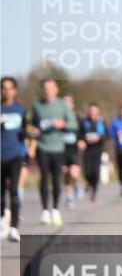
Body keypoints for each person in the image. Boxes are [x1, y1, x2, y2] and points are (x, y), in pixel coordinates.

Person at [31, 79, 74, 226]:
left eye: (50, 88)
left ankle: (55, 209)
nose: (48, 91)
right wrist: (34, 133)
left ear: (56, 90)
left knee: (56, 178)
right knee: (43, 176)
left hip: (58, 148)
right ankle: (44, 210)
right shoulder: (37, 107)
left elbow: (73, 124)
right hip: (42, 146)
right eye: (45, 88)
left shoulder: (62, 106)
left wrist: (63, 124)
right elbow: (32, 126)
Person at [1, 77, 29, 241]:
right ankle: (2, 220)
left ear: (15, 90)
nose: (7, 91)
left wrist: (28, 134)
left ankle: (14, 227)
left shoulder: (21, 109)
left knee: (14, 190)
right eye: (4, 88)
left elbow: (28, 128)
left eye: (10, 88)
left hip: (16, 155)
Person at [79, 103, 107, 201]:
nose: (92, 113)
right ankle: (89, 183)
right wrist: (81, 141)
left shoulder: (101, 122)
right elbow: (80, 134)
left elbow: (106, 135)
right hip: (87, 149)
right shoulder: (84, 122)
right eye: (91, 110)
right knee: (87, 172)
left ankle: (94, 192)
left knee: (95, 172)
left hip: (97, 149)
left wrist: (99, 138)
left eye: (94, 110)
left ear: (98, 112)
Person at [60, 95, 82, 206]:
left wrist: (81, 140)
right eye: (64, 102)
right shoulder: (58, 116)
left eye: (68, 102)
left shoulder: (77, 117)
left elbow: (82, 131)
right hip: (61, 149)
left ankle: (77, 184)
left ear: (72, 105)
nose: (66, 105)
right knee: (65, 173)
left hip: (73, 149)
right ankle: (69, 197)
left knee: (73, 172)